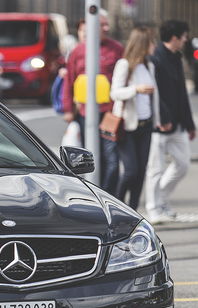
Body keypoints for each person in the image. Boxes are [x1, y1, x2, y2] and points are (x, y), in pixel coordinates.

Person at [61, 10, 124, 195]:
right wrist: (67, 109)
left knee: (111, 158)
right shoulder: (78, 51)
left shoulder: (116, 48)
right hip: (85, 114)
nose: (107, 28)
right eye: (102, 25)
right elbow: (69, 81)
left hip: (110, 113)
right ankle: (94, 195)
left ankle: (109, 195)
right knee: (89, 157)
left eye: (107, 25)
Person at [145, 20, 196, 224]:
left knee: (183, 163)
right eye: (184, 36)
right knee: (155, 169)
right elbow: (155, 93)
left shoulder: (176, 57)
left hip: (178, 123)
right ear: (174, 38)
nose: (185, 40)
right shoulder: (154, 59)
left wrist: (190, 123)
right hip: (159, 124)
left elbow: (182, 94)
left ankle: (162, 199)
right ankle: (153, 209)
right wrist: (162, 119)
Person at [110, 27, 166, 211]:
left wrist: (157, 120)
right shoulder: (124, 65)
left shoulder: (150, 65)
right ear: (142, 44)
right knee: (131, 171)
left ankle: (133, 211)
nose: (155, 45)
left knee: (141, 172)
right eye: (152, 42)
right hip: (126, 125)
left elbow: (155, 97)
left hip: (146, 125)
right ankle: (116, 207)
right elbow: (114, 93)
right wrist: (136, 89)